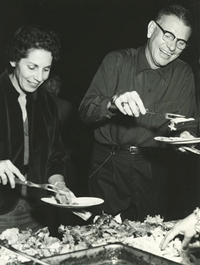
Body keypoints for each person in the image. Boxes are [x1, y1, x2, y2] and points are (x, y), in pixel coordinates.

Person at [79, 4, 198, 222]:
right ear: (151, 29)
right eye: (168, 35)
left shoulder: (184, 74)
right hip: (109, 164)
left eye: (180, 42)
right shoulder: (116, 61)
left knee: (149, 237)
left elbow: (187, 125)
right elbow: (85, 111)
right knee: (102, 234)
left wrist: (185, 138)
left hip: (154, 168)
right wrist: (113, 103)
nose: (171, 47)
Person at [0, 25, 75, 233]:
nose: (40, 77)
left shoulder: (47, 104)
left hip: (36, 209)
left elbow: (54, 159)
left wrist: (60, 186)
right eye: (32, 67)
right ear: (14, 60)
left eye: (46, 69)